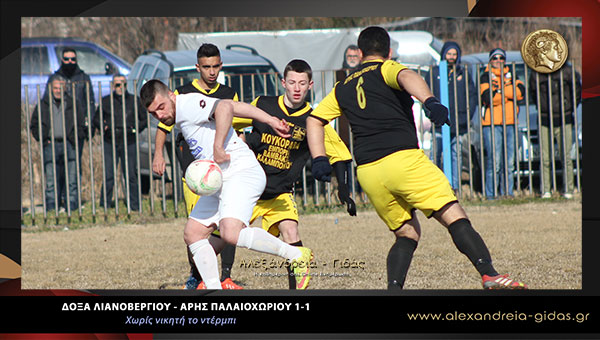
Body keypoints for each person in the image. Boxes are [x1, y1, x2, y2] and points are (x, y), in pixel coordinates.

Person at [306, 26, 527, 290]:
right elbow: (406, 75)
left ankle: (394, 290)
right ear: (388, 52)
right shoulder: (386, 67)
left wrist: (320, 158)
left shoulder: (342, 87)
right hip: (403, 160)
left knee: (407, 232)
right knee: (453, 214)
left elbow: (314, 120)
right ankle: (490, 274)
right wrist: (430, 101)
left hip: (368, 172)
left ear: (361, 52)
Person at [140, 79, 314, 290]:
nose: (160, 115)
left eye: (161, 107)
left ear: (171, 95)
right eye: (153, 114)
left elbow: (224, 107)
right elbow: (233, 105)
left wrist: (217, 145)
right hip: (221, 177)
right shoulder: (181, 111)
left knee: (230, 233)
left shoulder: (187, 104)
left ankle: (296, 254)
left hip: (241, 171)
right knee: (193, 233)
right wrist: (271, 120)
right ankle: (214, 288)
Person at [229, 59, 355, 289]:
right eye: (292, 82)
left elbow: (339, 154)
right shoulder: (263, 104)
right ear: (283, 83)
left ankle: (295, 292)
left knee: (291, 231)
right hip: (248, 189)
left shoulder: (314, 120)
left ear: (310, 85)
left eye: (302, 83)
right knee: (224, 236)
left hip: (280, 192)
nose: (297, 88)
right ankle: (215, 279)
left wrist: (344, 190)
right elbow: (231, 118)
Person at [151, 43, 241, 290]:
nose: (212, 72)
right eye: (206, 67)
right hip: (196, 173)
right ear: (197, 67)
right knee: (196, 228)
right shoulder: (181, 94)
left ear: (220, 66)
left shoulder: (229, 93)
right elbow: (164, 128)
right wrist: (158, 154)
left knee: (228, 221)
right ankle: (197, 275)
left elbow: (239, 128)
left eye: (216, 67)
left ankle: (226, 276)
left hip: (224, 170)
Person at [426, 41, 477, 190]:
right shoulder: (434, 72)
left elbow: (472, 97)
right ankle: (434, 188)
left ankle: (454, 187)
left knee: (456, 157)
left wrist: (465, 118)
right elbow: (426, 95)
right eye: (449, 54)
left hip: (458, 125)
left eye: (454, 54)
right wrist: (431, 115)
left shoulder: (463, 73)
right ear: (443, 54)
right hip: (438, 125)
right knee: (435, 156)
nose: (451, 57)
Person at [93, 74, 147, 211]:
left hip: (129, 140)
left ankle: (134, 206)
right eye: (117, 85)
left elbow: (144, 119)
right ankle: (104, 205)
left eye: (123, 84)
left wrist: (135, 129)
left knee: (131, 175)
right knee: (109, 175)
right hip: (110, 140)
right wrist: (103, 127)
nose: (120, 87)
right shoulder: (106, 101)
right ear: (113, 86)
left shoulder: (134, 100)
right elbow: (96, 119)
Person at [30, 74, 84, 212]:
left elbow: (81, 122)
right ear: (50, 89)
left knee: (71, 177)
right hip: (51, 144)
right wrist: (42, 138)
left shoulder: (73, 103)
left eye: (61, 87)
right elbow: (34, 124)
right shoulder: (43, 104)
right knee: (51, 180)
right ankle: (52, 206)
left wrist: (75, 137)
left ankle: (71, 205)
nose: (58, 90)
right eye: (55, 88)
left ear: (65, 88)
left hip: (69, 143)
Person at [529, 63, 581, 199]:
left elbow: (577, 91)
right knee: (545, 157)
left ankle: (568, 189)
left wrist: (568, 108)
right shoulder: (536, 72)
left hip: (564, 118)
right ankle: (546, 189)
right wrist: (543, 108)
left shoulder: (568, 70)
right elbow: (532, 92)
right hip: (545, 119)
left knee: (566, 156)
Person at [479, 48, 525, 199]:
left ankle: (508, 193)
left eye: (501, 58)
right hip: (491, 124)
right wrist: (507, 93)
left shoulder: (511, 74)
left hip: (510, 122)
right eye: (495, 58)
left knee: (509, 162)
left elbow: (521, 93)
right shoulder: (485, 76)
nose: (498, 61)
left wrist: (499, 92)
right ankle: (491, 195)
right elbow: (487, 97)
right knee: (495, 161)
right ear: (490, 60)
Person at [47, 47, 95, 162]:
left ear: (76, 60)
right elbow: (46, 103)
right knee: (58, 166)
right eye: (67, 59)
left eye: (73, 59)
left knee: (75, 164)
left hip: (76, 129)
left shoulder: (84, 78)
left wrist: (89, 126)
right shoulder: (54, 78)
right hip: (58, 128)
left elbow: (90, 103)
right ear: (62, 60)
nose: (70, 62)